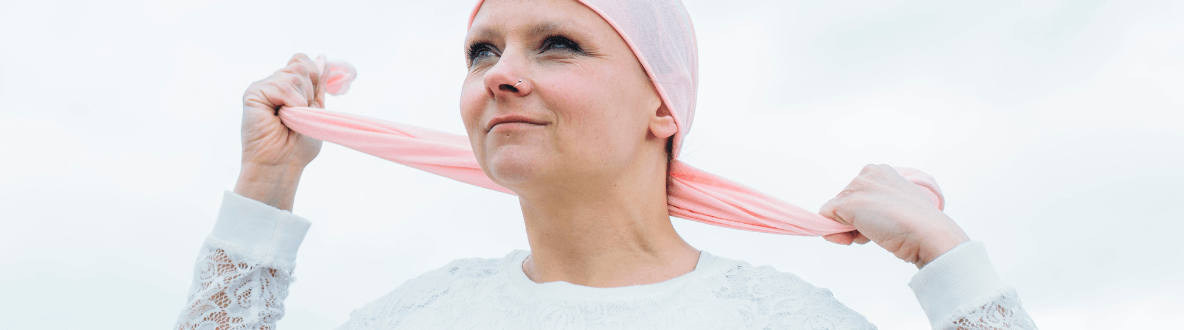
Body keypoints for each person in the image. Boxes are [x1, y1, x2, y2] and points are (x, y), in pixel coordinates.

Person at [175, 0, 1038, 329]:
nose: (501, 73)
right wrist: (266, 184)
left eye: (557, 45)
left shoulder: (785, 320)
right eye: (482, 52)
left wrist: (948, 261)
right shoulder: (419, 316)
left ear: (665, 105)